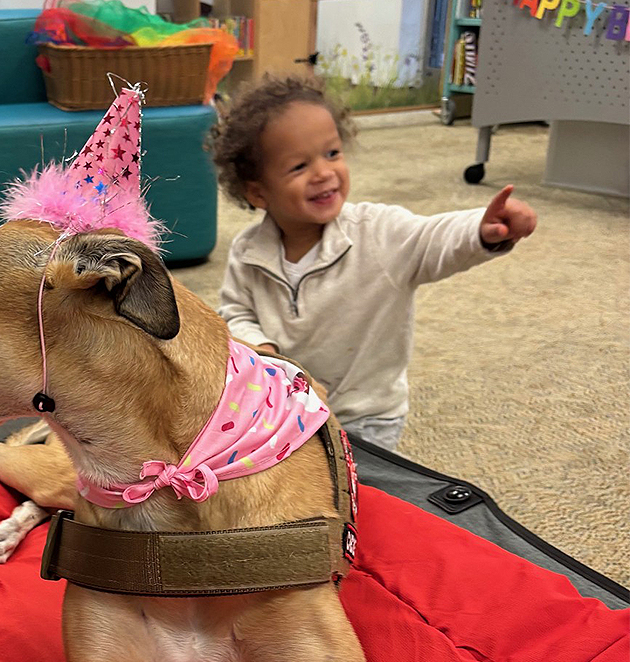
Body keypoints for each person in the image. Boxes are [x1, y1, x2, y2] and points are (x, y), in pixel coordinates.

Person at [209, 76, 537, 451]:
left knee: (359, 498)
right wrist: (263, 350)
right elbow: (235, 313)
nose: (323, 173)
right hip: (285, 410)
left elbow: (432, 238)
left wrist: (481, 229)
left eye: (332, 153)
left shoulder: (378, 233)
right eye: (299, 166)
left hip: (366, 415)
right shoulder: (248, 251)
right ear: (258, 192)